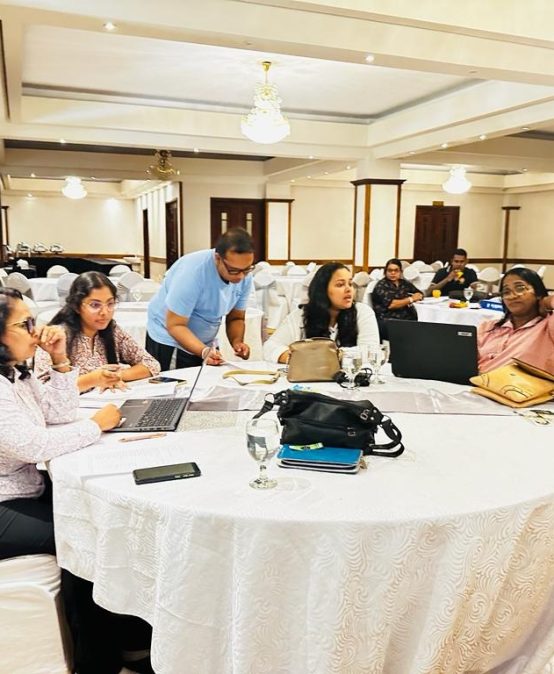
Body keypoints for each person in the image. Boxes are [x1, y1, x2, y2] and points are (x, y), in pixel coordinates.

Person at [0, 287, 153, 674]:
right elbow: (33, 445)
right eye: (25, 324)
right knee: (83, 532)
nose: (36, 330)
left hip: (25, 488)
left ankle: (130, 638)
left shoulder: (15, 373)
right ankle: (98, 660)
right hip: (4, 502)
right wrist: (96, 425)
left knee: (102, 515)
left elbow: (59, 412)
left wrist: (60, 361)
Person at [146, 228, 255, 369]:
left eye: (246, 270)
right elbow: (175, 325)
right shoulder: (192, 273)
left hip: (204, 340)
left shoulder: (245, 276)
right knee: (178, 382)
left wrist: (237, 342)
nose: (240, 277)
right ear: (218, 258)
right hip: (170, 340)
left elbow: (236, 318)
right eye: (233, 270)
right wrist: (203, 351)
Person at [34, 271, 160, 390]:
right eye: (95, 305)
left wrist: (115, 376)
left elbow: (151, 364)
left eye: (110, 304)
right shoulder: (57, 336)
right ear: (76, 306)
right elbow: (45, 390)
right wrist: (94, 379)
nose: (105, 312)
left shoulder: (112, 331)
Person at [263, 262, 380, 363]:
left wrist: (327, 356)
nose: (349, 289)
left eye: (350, 283)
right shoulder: (302, 314)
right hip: (311, 379)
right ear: (323, 290)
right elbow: (269, 347)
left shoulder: (362, 312)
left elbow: (370, 352)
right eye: (340, 285)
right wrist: (295, 358)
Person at [477, 267, 554, 373]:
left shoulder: (547, 327)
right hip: (473, 381)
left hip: (521, 383)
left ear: (538, 293)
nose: (512, 296)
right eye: (506, 292)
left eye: (520, 288)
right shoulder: (488, 327)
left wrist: (546, 301)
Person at [371, 258, 423, 339]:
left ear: (400, 272)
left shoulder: (404, 283)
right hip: (388, 321)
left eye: (396, 270)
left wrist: (419, 295)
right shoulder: (381, 285)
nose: (393, 273)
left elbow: (419, 293)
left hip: (407, 319)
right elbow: (391, 304)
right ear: (385, 272)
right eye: (390, 270)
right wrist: (411, 299)